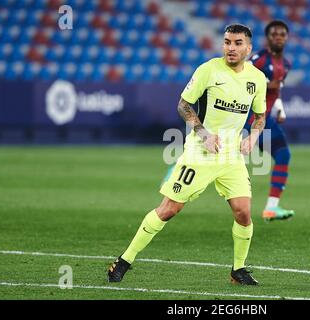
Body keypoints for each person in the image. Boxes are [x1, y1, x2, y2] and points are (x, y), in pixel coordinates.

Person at [108, 24, 267, 285]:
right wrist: (204, 133)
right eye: (227, 42)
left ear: (248, 48)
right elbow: (183, 105)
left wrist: (253, 136)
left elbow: (260, 116)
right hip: (201, 151)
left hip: (231, 156)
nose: (231, 47)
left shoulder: (257, 79)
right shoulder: (208, 70)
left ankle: (238, 270)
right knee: (170, 209)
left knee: (243, 212)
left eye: (237, 43)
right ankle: (124, 261)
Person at [245, 20, 295, 221]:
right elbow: (242, 77)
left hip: (265, 118)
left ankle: (271, 208)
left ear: (287, 38)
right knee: (221, 157)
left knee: (283, 155)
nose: (278, 37)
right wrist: (266, 83)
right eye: (274, 34)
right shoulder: (257, 59)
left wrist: (280, 109)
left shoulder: (286, 64)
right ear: (268, 38)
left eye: (282, 34)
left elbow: (277, 91)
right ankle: (180, 167)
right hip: (247, 115)